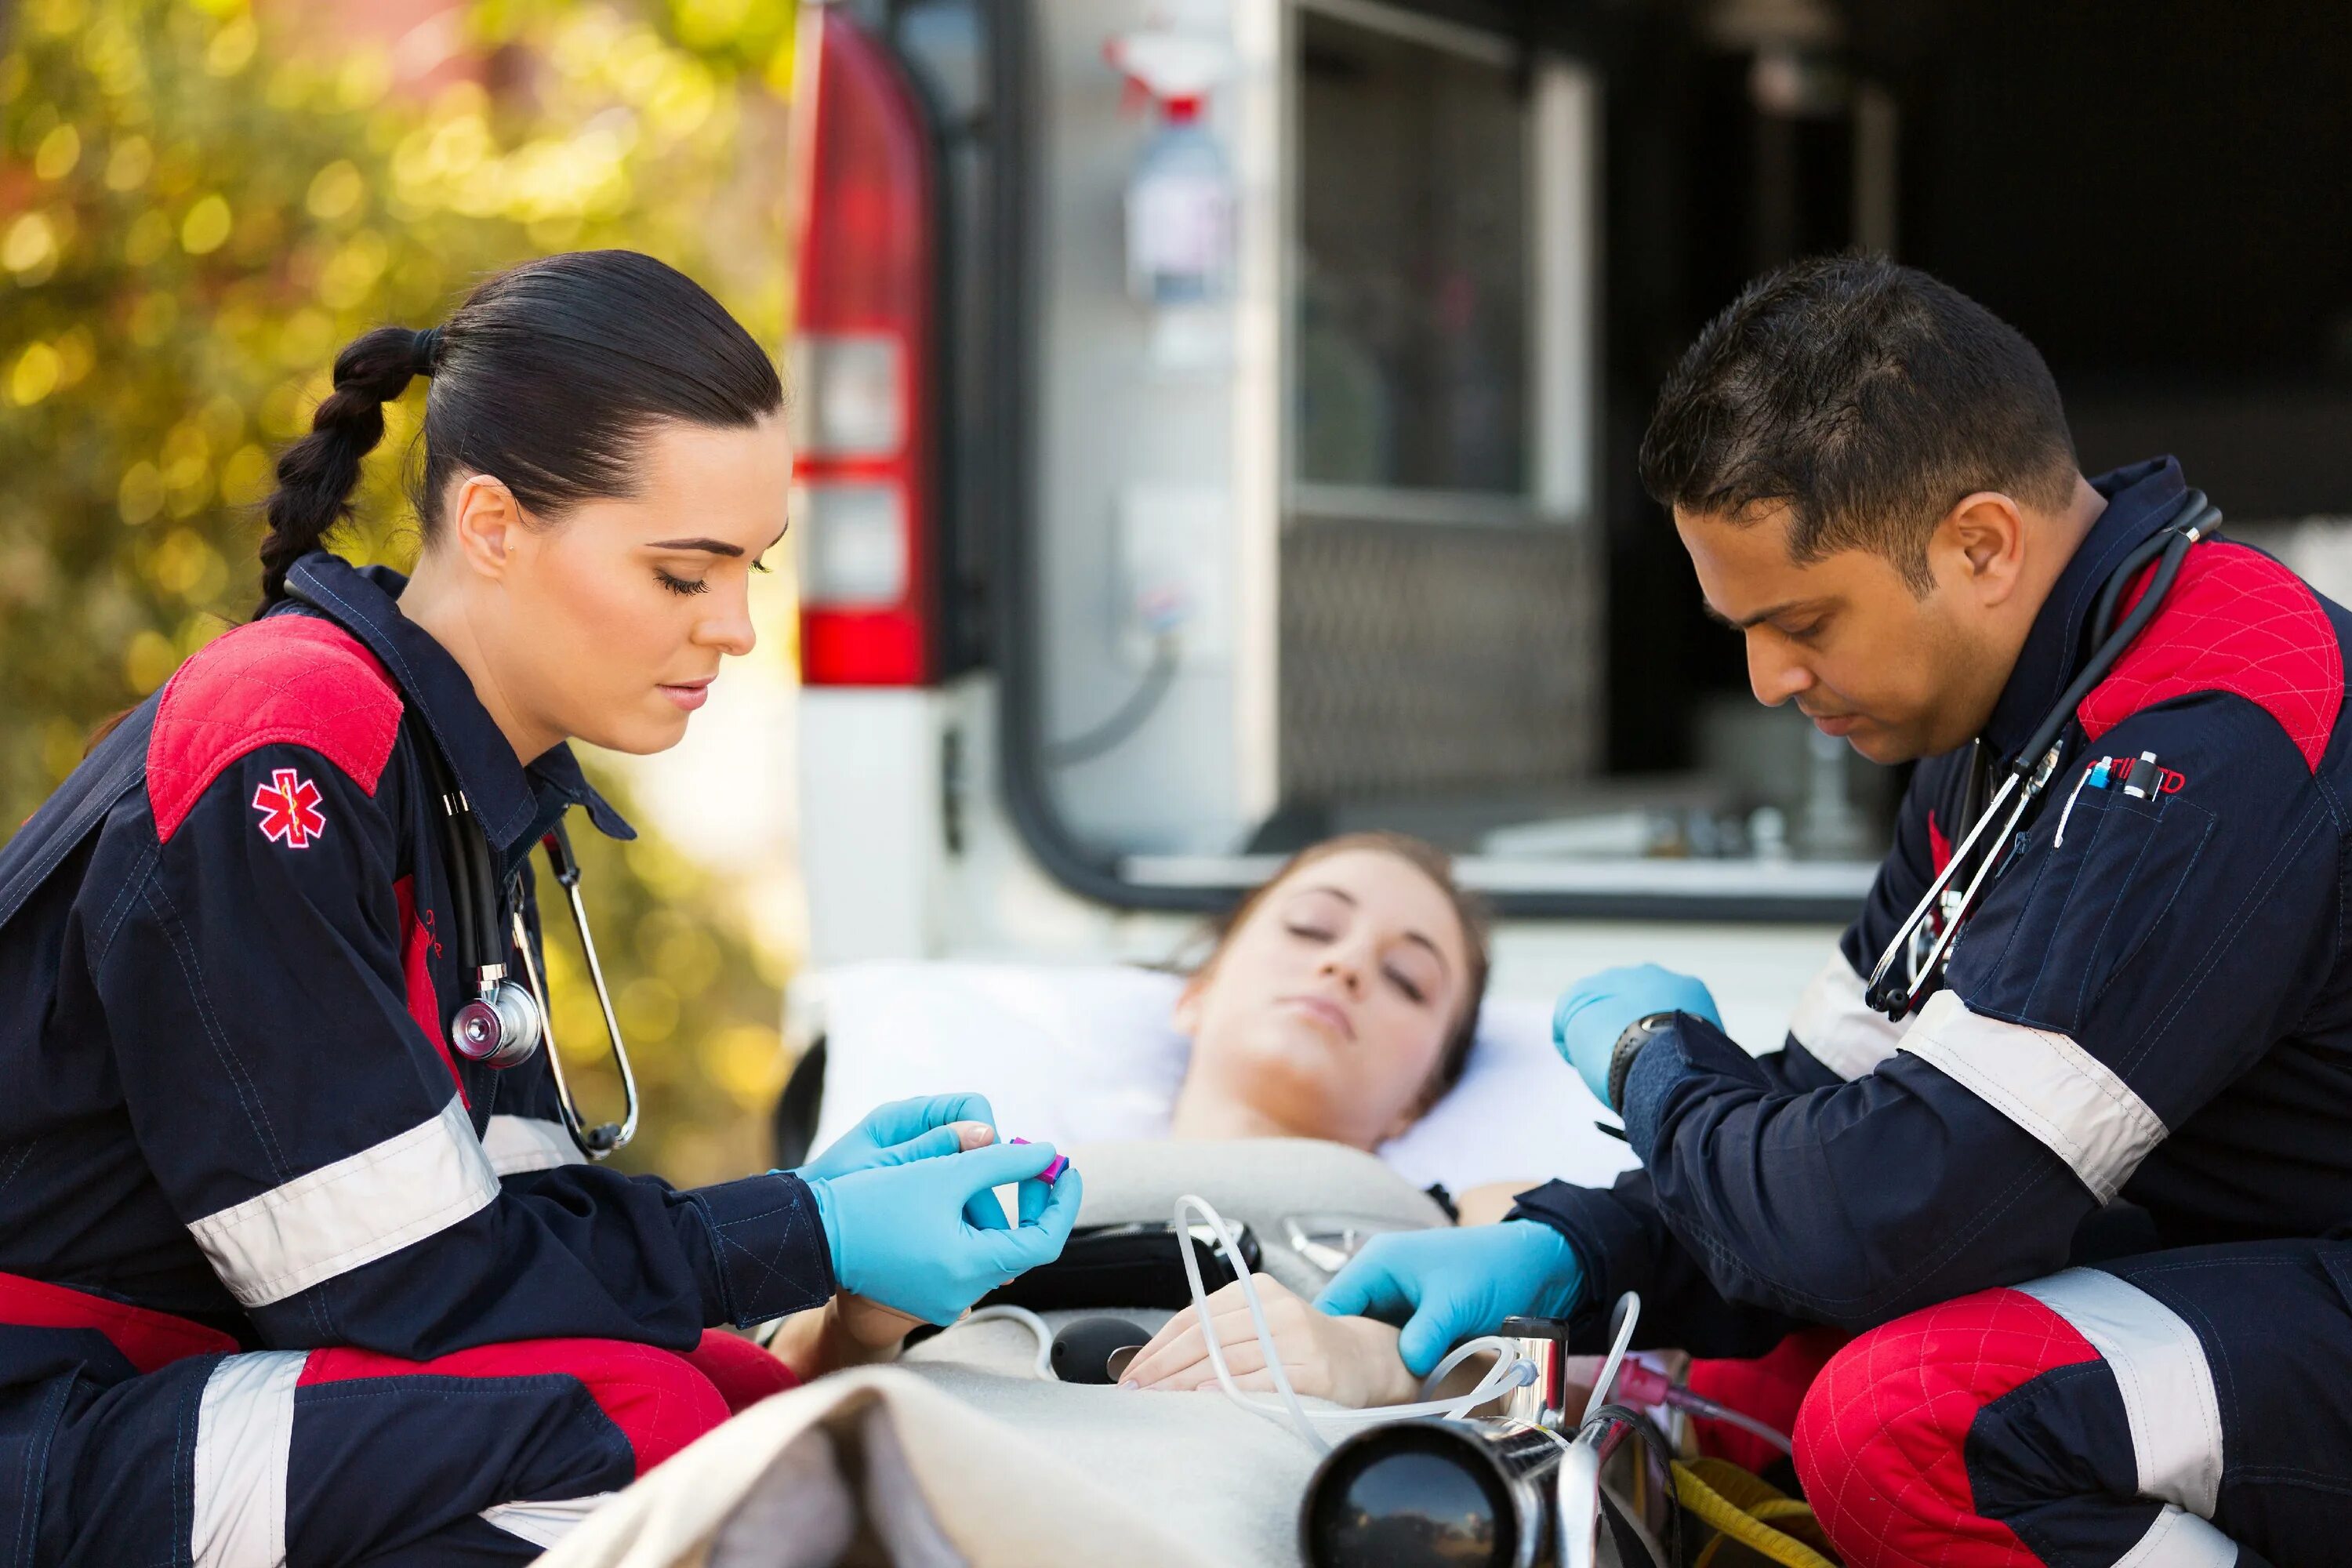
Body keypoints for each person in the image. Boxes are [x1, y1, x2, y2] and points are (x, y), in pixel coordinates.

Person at [0, 249, 1077, 1565]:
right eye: (685, 576)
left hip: (159, 1393)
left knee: (755, 1413)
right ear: (496, 527)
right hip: (44, 1423)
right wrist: (805, 1230)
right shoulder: (289, 743)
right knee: (633, 1431)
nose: (735, 629)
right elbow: (399, 1282)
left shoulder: (454, 783)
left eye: (755, 570)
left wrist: (820, 1233)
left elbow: (508, 1230)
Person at [1317, 256, 2352, 1568]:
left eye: (1802, 620)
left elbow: (1887, 1223)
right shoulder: (2006, 725)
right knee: (1765, 1382)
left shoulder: (2209, 735)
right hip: (2287, 1269)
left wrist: (1650, 1063)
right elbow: (1820, 1130)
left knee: (1906, 1423)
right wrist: (1579, 1246)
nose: (1765, 679)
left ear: (1981, 544)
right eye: (1741, 628)